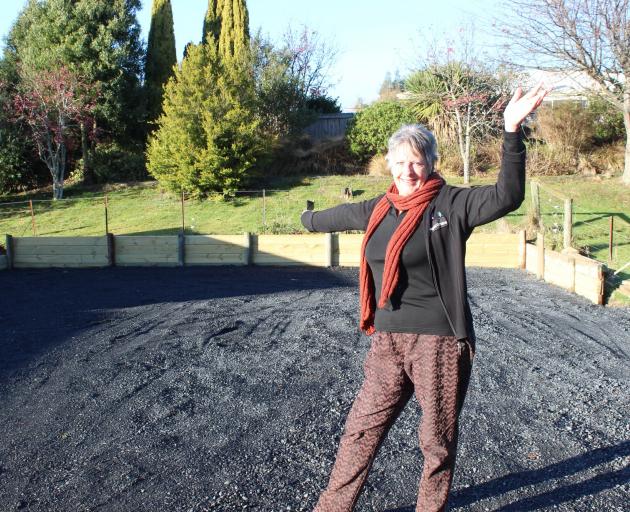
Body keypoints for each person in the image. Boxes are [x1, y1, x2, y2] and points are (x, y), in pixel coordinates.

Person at [300, 84, 548, 512]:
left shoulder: (451, 205)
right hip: (388, 338)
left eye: (416, 161)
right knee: (360, 430)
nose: (407, 171)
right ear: (389, 165)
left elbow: (507, 195)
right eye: (399, 162)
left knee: (436, 441)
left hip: (439, 341)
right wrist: (307, 218)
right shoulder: (380, 208)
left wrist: (511, 131)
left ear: (430, 163)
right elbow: (333, 217)